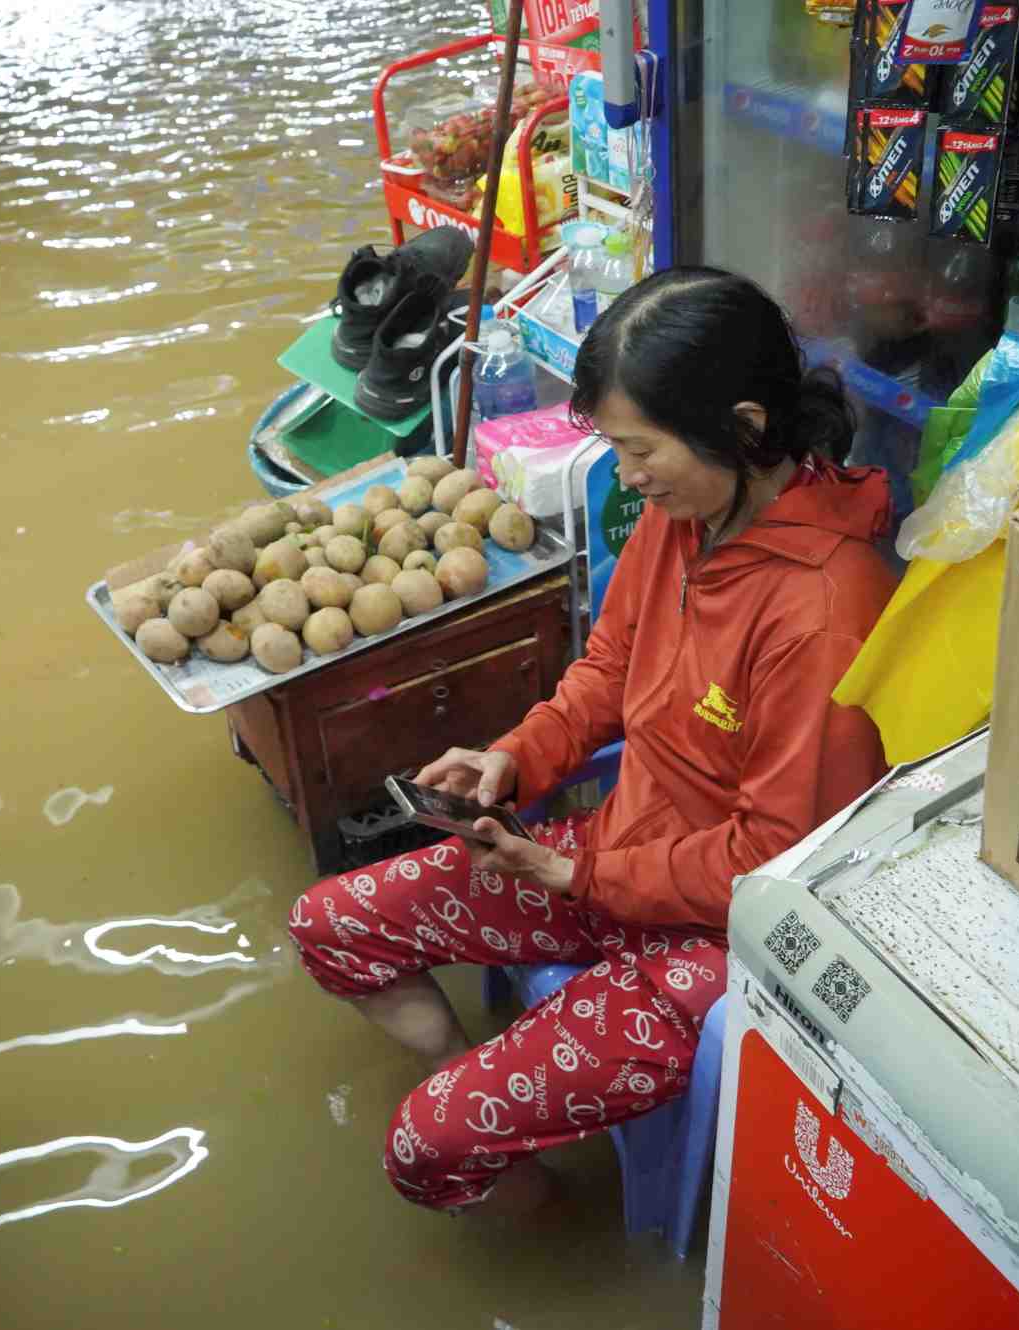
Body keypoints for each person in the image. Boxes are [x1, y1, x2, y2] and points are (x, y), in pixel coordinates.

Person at [287, 267, 899, 1216]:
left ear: (741, 426)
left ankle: (559, 1234)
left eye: (640, 447)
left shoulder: (823, 610)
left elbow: (774, 859)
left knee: (421, 1146)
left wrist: (575, 878)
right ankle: (500, 1128)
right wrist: (518, 757)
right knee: (331, 924)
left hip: (719, 939)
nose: (629, 474)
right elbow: (607, 671)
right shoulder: (683, 515)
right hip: (614, 854)